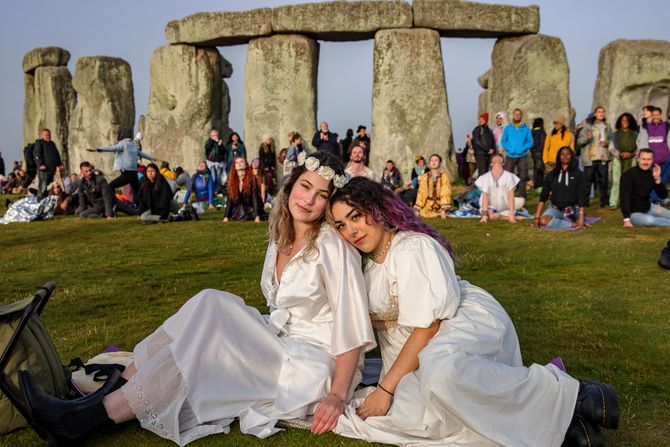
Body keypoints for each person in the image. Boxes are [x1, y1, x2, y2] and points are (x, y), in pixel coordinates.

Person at [19, 151, 375, 446]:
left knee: (213, 314)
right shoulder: (280, 236)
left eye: (321, 195)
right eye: (305, 186)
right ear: (291, 185)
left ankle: (87, 417)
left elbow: (351, 328)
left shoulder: (332, 247)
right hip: (279, 340)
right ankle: (97, 403)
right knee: (209, 304)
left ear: (329, 204)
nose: (308, 199)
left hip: (311, 364)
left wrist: (337, 395)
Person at [329, 177, 619, 447]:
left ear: (378, 208)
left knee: (443, 374)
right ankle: (568, 427)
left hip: (455, 321)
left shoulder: (412, 248)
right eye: (341, 225)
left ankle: (578, 395)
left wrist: (387, 389)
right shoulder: (368, 267)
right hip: (412, 344)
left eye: (356, 216)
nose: (351, 230)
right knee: (419, 414)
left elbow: (428, 326)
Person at [88, 128, 159, 203]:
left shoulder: (123, 144)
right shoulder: (134, 144)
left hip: (127, 173)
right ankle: (143, 207)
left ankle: (115, 203)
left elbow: (112, 148)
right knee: (138, 192)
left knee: (111, 186)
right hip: (134, 172)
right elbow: (141, 154)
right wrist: (153, 158)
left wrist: (98, 149)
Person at [534, 147, 589, 229]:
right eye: (562, 154)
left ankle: (577, 219)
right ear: (559, 157)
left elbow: (582, 196)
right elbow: (543, 196)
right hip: (556, 208)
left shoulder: (578, 174)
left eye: (568, 154)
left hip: (573, 209)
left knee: (580, 218)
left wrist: (580, 218)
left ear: (571, 156)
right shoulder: (552, 174)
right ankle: (572, 224)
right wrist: (537, 217)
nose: (565, 156)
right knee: (543, 221)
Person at [620, 149, 670, 227]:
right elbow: (624, 197)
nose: (646, 162)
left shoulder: (651, 174)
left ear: (652, 160)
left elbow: (663, 195)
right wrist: (626, 220)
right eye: (643, 159)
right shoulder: (628, 175)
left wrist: (657, 180)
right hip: (634, 213)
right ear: (638, 159)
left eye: (649, 159)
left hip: (649, 207)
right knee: (650, 220)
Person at [578, 106, 612, 207]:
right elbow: (579, 142)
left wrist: (608, 143)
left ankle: (604, 202)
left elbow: (612, 141)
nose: (601, 114)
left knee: (604, 181)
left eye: (603, 112)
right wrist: (586, 139)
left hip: (603, 157)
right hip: (590, 158)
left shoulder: (608, 127)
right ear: (595, 114)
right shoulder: (588, 127)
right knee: (587, 182)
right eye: (599, 112)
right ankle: (584, 203)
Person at [476, 154, 524, 224]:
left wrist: (512, 215)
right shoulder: (485, 177)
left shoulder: (509, 176)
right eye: (495, 158)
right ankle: (503, 217)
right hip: (490, 206)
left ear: (503, 163)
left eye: (499, 157)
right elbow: (485, 196)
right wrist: (484, 216)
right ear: (491, 163)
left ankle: (505, 216)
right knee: (490, 214)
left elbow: (511, 195)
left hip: (504, 206)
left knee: (522, 201)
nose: (497, 157)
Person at [637, 106, 670, 202]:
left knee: (663, 179)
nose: (656, 116)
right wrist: (641, 155)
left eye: (658, 114)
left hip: (665, 158)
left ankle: (660, 198)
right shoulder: (645, 126)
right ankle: (651, 198)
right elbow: (641, 141)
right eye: (654, 115)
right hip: (650, 159)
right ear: (651, 115)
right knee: (650, 179)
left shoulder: (666, 125)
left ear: (661, 115)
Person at [501, 108, 533, 199]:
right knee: (507, 176)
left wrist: (523, 149)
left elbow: (530, 142)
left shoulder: (525, 128)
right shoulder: (508, 128)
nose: (517, 116)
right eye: (516, 114)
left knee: (523, 176)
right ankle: (506, 196)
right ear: (513, 115)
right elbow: (503, 141)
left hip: (522, 155)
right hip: (510, 155)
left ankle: (522, 196)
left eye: (519, 114)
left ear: (521, 116)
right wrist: (509, 149)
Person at [609, 113, 639, 209]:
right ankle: (613, 202)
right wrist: (620, 154)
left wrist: (632, 153)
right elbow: (611, 147)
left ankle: (631, 202)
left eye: (627, 120)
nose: (625, 122)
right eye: (623, 120)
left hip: (632, 159)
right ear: (620, 122)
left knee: (632, 181)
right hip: (618, 159)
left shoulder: (635, 134)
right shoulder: (615, 134)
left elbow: (639, 146)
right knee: (616, 181)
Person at [223, 157, 265, 223]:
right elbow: (230, 200)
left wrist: (257, 216)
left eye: (242, 162)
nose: (239, 164)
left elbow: (255, 198)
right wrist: (226, 216)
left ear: (246, 165)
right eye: (237, 162)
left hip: (252, 207)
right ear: (234, 166)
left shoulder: (252, 179)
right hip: (239, 208)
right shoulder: (232, 180)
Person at [413, 153, 451, 219]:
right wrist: (417, 209)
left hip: (440, 205)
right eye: (432, 160)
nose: (433, 162)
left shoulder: (444, 176)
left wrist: (443, 209)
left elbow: (445, 193)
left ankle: (441, 212)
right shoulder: (425, 176)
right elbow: (421, 193)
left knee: (445, 212)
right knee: (422, 213)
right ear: (429, 163)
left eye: (436, 160)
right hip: (428, 205)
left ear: (439, 163)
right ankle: (436, 214)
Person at [34, 129, 63, 199]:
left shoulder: (52, 143)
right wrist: (40, 164)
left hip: (52, 169)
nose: (48, 136)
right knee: (43, 186)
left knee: (50, 186)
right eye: (46, 135)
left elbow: (56, 155)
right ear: (43, 135)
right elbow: (37, 154)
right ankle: (39, 201)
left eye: (49, 135)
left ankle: (47, 200)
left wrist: (60, 164)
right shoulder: (39, 143)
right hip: (44, 170)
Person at [467, 113, 496, 178]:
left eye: (482, 119)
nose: (480, 121)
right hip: (480, 154)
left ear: (486, 120)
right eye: (479, 119)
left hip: (488, 154)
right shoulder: (477, 129)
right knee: (482, 172)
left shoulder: (490, 130)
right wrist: (487, 149)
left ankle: (485, 187)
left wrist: (493, 149)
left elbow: (493, 141)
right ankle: (480, 187)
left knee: (487, 172)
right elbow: (476, 141)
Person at [204, 129, 227, 194]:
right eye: (213, 135)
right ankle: (212, 190)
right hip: (211, 162)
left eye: (216, 135)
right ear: (210, 136)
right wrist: (212, 141)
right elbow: (207, 147)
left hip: (219, 162)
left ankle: (218, 190)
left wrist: (220, 145)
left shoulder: (219, 142)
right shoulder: (208, 142)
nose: (215, 136)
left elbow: (223, 151)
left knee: (219, 177)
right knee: (213, 178)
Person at [530, 117, 546, 190]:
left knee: (535, 169)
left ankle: (536, 185)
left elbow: (530, 143)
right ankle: (539, 186)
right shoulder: (542, 132)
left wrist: (532, 151)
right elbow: (543, 143)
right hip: (540, 153)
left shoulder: (531, 132)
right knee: (540, 169)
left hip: (533, 153)